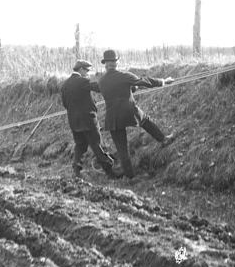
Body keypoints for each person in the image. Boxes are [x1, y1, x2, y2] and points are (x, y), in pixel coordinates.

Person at [98, 49, 175, 179]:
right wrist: (163, 81)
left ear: (105, 64)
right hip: (129, 111)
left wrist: (132, 88)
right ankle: (163, 139)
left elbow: (116, 89)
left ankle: (130, 177)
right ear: (116, 63)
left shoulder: (101, 81)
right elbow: (143, 81)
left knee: (122, 149)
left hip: (113, 117)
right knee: (145, 120)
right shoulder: (124, 75)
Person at [61, 59, 120, 179]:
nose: (88, 72)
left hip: (74, 121)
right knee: (97, 144)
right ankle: (109, 171)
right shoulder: (82, 81)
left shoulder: (65, 84)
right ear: (81, 69)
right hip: (88, 120)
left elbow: (65, 104)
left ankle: (76, 171)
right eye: (87, 70)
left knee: (80, 146)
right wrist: (113, 84)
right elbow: (98, 87)